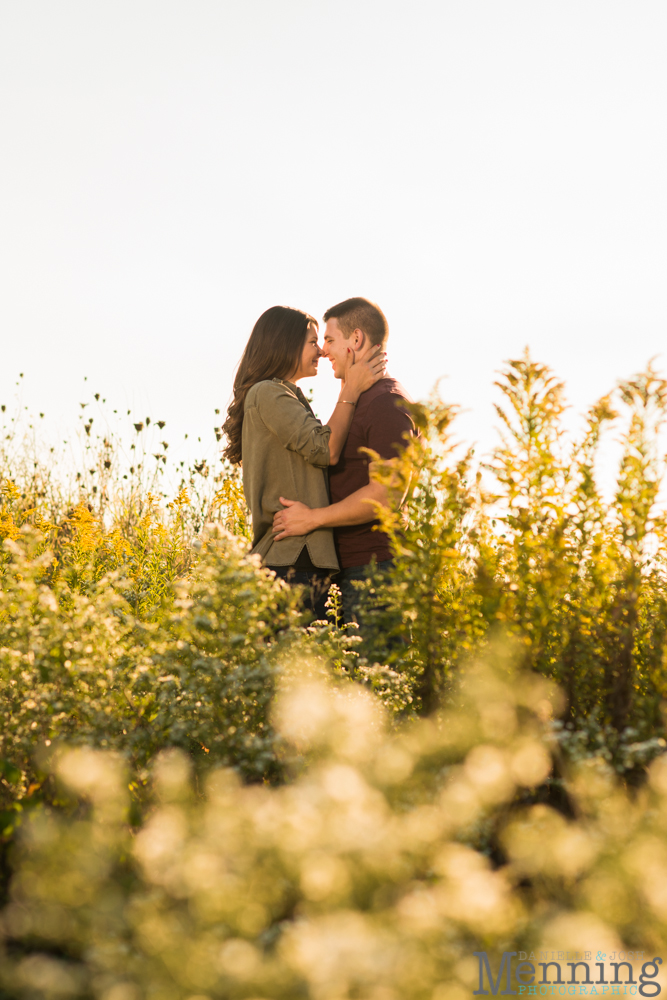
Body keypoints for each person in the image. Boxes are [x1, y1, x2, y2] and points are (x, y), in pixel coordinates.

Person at [222, 305, 386, 618]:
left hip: (301, 558)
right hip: (294, 559)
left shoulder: (287, 394)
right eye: (313, 342)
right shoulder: (268, 393)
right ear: (285, 344)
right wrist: (350, 388)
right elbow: (326, 450)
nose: (322, 352)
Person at [272, 297, 415, 623]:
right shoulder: (359, 401)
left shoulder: (387, 403)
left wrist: (314, 519)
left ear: (357, 339)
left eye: (330, 339)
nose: (323, 350)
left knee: (373, 673)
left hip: (374, 572)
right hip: (348, 571)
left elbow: (386, 495)